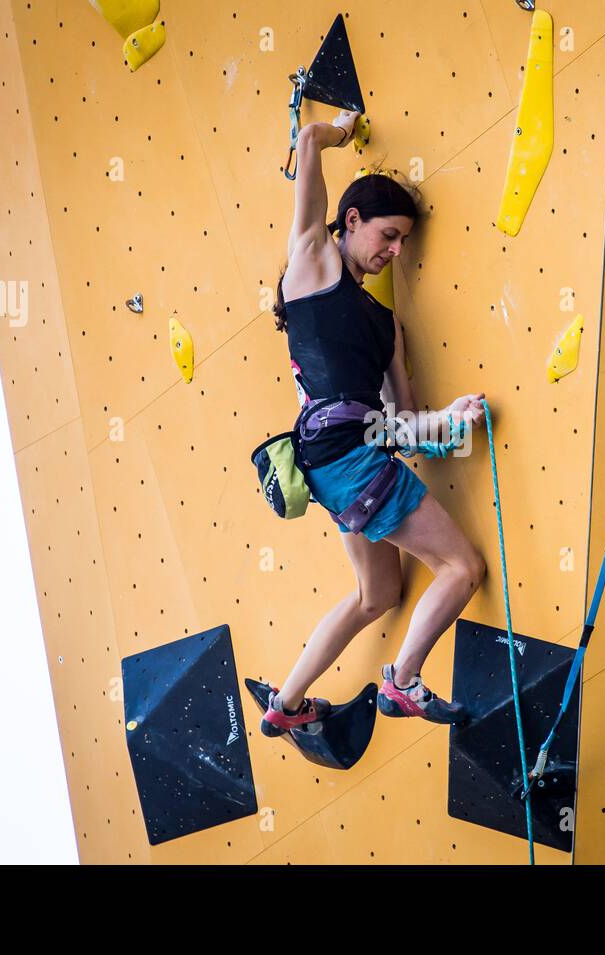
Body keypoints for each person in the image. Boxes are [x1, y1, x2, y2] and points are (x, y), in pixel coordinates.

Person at [262, 109, 487, 735]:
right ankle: (403, 682)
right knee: (462, 569)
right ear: (351, 220)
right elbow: (307, 140)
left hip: (339, 463)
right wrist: (342, 127)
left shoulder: (388, 327)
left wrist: (448, 423)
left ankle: (288, 703)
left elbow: (407, 424)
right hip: (347, 460)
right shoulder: (312, 266)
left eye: (403, 244)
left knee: (378, 597)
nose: (394, 251)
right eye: (387, 235)